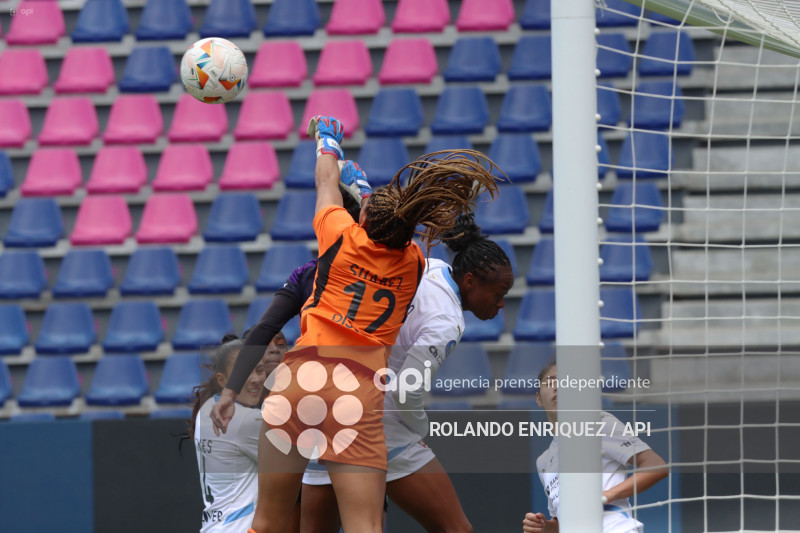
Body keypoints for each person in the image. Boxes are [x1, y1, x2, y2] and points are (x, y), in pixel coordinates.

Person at [249, 115, 504, 533]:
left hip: (297, 380)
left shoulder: (338, 235)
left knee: (267, 525)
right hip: (354, 394)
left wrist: (328, 142)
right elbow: (391, 227)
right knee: (364, 526)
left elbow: (326, 185)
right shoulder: (416, 264)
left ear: (364, 218)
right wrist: (368, 192)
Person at [301, 213, 514, 533]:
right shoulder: (447, 323)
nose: (500, 305)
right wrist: (420, 426)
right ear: (469, 281)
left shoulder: (431, 267)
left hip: (324, 408)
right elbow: (405, 391)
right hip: (379, 423)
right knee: (456, 530)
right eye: (499, 294)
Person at [522, 362, 669, 533]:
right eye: (551, 381)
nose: (557, 387)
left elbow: (657, 466)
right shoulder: (543, 461)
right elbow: (564, 523)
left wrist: (604, 496)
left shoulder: (598, 422)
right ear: (538, 398)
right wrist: (544, 527)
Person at [190, 333, 294, 533]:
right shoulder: (246, 420)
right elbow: (302, 460)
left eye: (259, 370)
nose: (255, 379)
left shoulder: (208, 409)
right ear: (222, 379)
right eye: (245, 373)